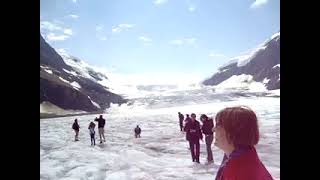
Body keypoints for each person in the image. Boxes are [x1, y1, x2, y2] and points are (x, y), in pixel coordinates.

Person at [214, 106, 274, 180]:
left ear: (234, 132)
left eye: (218, 125)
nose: (213, 129)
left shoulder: (244, 173)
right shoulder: (236, 159)